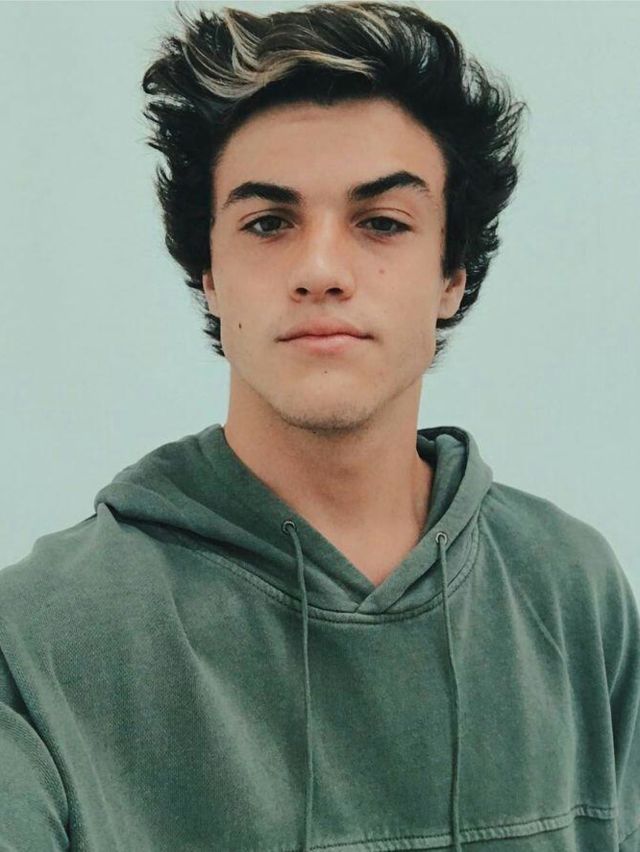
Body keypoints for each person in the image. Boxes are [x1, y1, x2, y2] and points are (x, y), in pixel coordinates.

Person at [1, 1, 638, 849]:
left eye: (382, 223)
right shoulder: (40, 638)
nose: (321, 269)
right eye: (269, 223)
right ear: (209, 275)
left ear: (452, 275)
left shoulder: (570, 590)